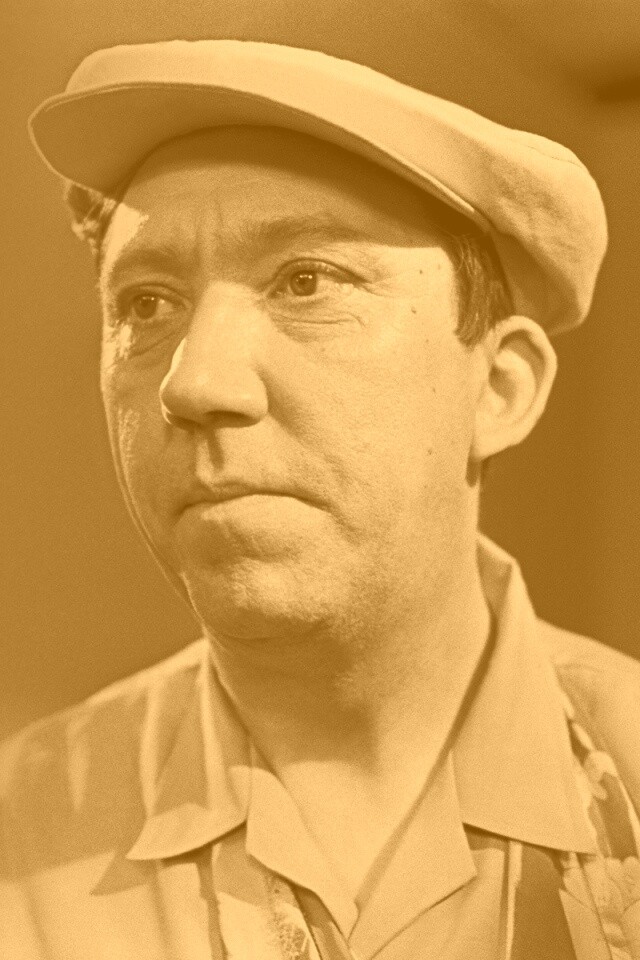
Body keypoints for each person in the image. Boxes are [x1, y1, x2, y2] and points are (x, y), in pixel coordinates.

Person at [1, 38, 639, 960]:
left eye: (306, 281)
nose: (196, 382)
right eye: (146, 305)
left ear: (499, 388)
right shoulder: (21, 830)